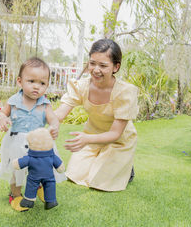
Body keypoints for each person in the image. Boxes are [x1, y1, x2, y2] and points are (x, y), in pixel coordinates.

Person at [54, 38, 139, 192]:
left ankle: (126, 168)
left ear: (116, 67)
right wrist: (35, 119)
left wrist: (86, 139)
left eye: (103, 65)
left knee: (98, 182)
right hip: (92, 137)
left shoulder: (125, 92)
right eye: (92, 63)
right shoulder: (82, 86)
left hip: (118, 140)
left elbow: (115, 133)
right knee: (74, 175)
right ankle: (105, 160)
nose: (95, 69)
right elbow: (60, 113)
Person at [0, 57, 66, 211]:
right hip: (16, 142)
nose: (37, 87)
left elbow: (53, 119)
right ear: (20, 81)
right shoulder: (14, 101)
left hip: (39, 142)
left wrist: (55, 126)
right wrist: (3, 119)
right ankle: (15, 195)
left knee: (42, 166)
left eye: (42, 83)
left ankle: (39, 187)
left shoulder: (44, 104)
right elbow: (1, 113)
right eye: (31, 81)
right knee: (17, 169)